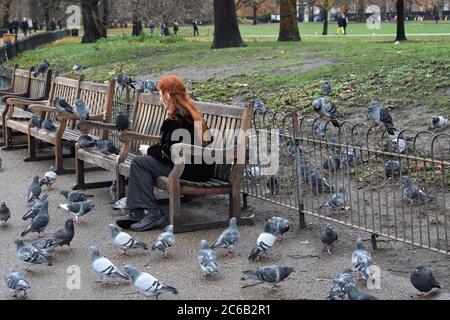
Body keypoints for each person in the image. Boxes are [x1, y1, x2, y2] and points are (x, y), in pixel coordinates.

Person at [116, 75, 215, 232]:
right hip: (198, 167)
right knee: (144, 163)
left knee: (140, 163)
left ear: (167, 96)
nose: (159, 98)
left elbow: (171, 151)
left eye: (161, 94)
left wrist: (149, 150)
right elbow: (207, 140)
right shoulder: (191, 112)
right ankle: (140, 211)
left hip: (188, 170)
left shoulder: (176, 118)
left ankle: (151, 213)